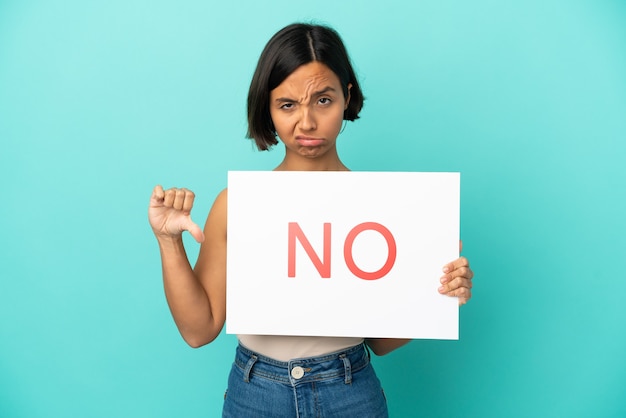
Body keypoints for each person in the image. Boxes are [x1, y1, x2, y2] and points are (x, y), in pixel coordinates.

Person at [148, 23, 474, 417]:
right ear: (266, 107)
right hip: (256, 392)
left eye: (323, 100)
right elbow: (199, 331)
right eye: (287, 105)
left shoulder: (385, 206)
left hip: (349, 390)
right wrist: (169, 242)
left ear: (346, 96)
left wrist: (436, 297)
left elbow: (382, 342)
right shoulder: (237, 205)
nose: (306, 122)